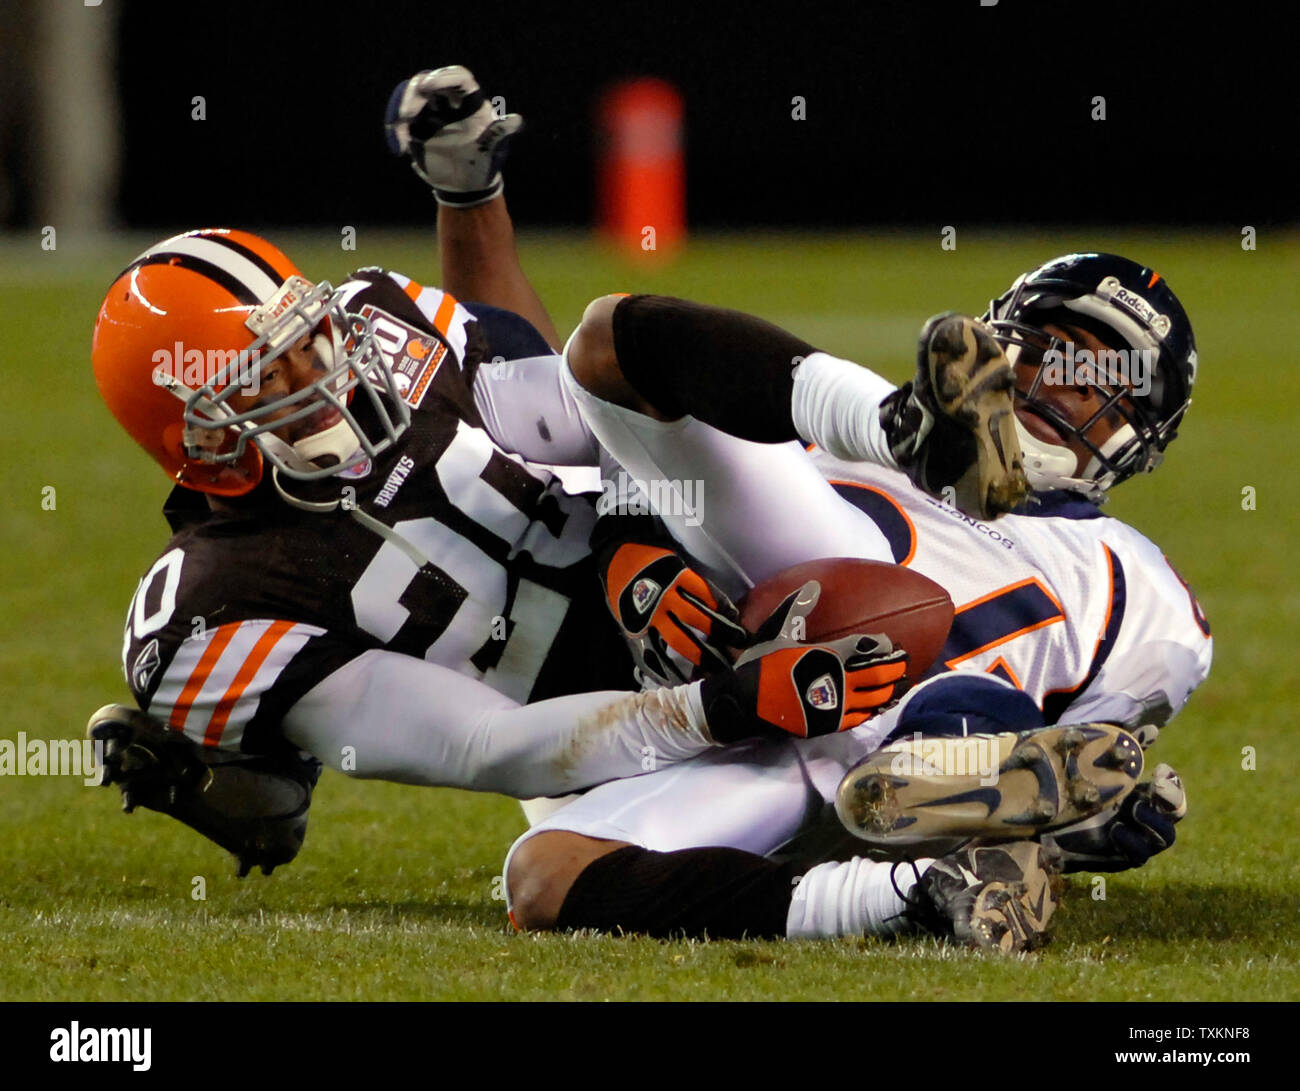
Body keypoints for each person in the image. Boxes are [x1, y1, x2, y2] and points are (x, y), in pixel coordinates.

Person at [85, 67, 912, 877]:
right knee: (544, 878)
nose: (321, 375)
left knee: (615, 339)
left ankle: (904, 424)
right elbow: (485, 745)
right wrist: (722, 705)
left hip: (711, 563)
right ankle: (905, 896)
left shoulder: (380, 328)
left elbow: (601, 396)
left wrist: (629, 541)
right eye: (271, 376)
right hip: (609, 747)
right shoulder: (210, 609)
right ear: (198, 438)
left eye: (310, 338)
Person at [503, 250, 1211, 951]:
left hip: (868, 741)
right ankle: (931, 866)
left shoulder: (1142, 587)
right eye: (1055, 351)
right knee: (609, 341)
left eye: (1108, 378)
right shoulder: (839, 412)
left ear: (1143, 429)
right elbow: (640, 439)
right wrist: (630, 541)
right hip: (757, 667)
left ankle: (934, 821)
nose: (1070, 385)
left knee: (548, 870)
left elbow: (1088, 759)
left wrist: (1087, 822)